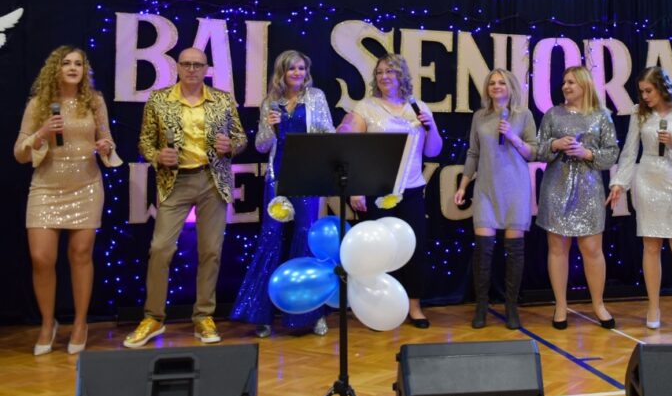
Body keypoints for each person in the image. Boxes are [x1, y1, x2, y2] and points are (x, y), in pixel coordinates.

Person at [124, 47, 247, 348]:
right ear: (177, 67)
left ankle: (203, 316)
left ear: (206, 69)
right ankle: (153, 317)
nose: (192, 69)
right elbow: (144, 141)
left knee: (210, 251)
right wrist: (157, 156)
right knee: (160, 248)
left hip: (212, 180)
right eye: (187, 64)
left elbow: (241, 138)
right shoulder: (159, 99)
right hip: (175, 181)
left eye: (198, 64)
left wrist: (230, 146)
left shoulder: (222, 99)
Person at [15, 46, 120, 355]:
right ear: (55, 69)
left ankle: (80, 323)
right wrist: (42, 133)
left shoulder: (94, 101)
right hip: (46, 188)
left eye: (79, 64)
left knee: (81, 254)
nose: (73, 68)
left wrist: (105, 146)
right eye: (66, 63)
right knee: (41, 258)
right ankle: (48, 323)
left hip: (86, 186)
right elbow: (20, 153)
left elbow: (108, 140)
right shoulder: (39, 104)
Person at [231, 50, 335, 337]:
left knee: (306, 235)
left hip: (307, 175)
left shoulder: (315, 97)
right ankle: (261, 314)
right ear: (282, 73)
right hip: (277, 176)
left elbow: (329, 133)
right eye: (292, 69)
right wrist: (271, 128)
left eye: (302, 68)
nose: (298, 73)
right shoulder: (270, 102)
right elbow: (261, 145)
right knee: (271, 237)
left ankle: (311, 314)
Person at [337, 53, 442, 328]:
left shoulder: (418, 106)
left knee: (414, 248)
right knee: (377, 251)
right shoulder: (366, 107)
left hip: (411, 189)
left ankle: (414, 306)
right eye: (380, 72)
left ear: (401, 75)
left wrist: (431, 127)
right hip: (376, 189)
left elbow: (433, 151)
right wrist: (356, 189)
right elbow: (350, 148)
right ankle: (377, 308)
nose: (384, 76)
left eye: (390, 71)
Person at [607, 66, 672, 331]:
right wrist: (619, 183)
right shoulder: (639, 113)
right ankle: (653, 306)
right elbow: (629, 152)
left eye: (649, 91)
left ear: (662, 87)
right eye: (642, 92)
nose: (645, 96)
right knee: (651, 246)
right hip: (648, 179)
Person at [536, 66, 620, 329]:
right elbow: (538, 149)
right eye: (564, 82)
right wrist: (555, 144)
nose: (566, 86)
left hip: (589, 190)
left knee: (593, 250)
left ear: (585, 85)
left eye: (571, 82)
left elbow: (612, 153)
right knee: (557, 249)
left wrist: (587, 153)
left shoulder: (601, 116)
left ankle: (598, 305)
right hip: (556, 188)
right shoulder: (553, 114)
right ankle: (561, 306)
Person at [454, 69, 537, 329]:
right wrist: (463, 185)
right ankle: (481, 306)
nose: (496, 86)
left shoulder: (523, 115)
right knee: (484, 249)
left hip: (515, 188)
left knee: (514, 251)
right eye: (492, 83)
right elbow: (473, 153)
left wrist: (512, 136)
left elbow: (533, 152)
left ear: (511, 87)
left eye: (501, 82)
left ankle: (511, 307)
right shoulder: (480, 116)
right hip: (486, 188)